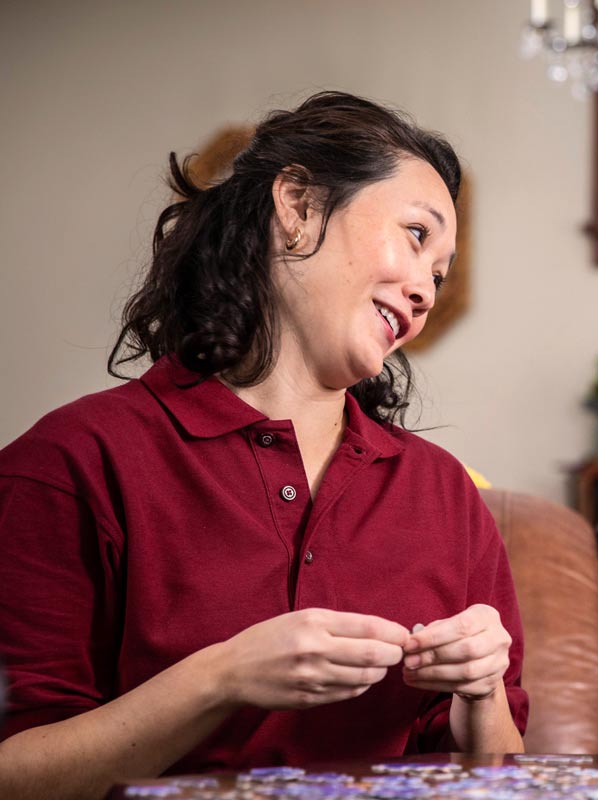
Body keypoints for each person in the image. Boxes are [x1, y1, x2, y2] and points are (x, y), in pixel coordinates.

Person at [0, 91, 527, 799]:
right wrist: (221, 678)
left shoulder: (442, 491)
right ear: (298, 206)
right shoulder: (70, 462)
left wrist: (482, 695)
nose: (427, 291)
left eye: (439, 274)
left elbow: (500, 774)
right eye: (414, 235)